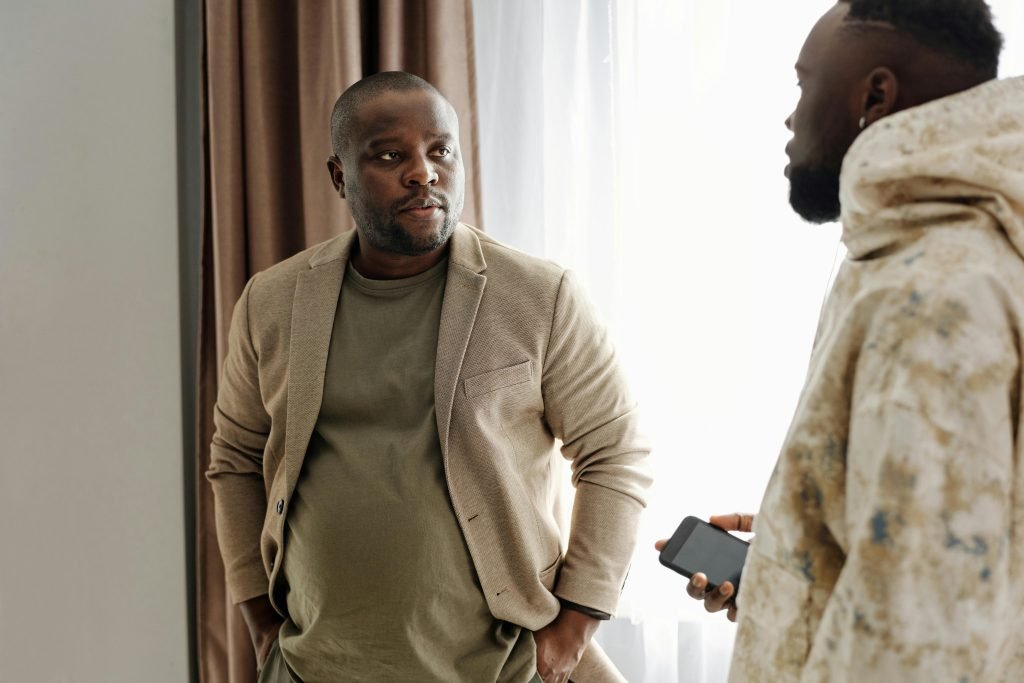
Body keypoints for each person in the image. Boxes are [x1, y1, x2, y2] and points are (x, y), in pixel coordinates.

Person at [206, 71, 652, 683]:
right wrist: (260, 619)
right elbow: (234, 458)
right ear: (340, 176)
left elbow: (614, 454)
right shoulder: (273, 300)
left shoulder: (540, 296)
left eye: (440, 150)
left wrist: (574, 627)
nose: (423, 172)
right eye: (391, 155)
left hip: (505, 669)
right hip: (314, 667)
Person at [662, 1, 1024, 681]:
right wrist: (791, 562)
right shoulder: (960, 249)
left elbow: (918, 634)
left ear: (875, 96)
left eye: (803, 83)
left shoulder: (932, 289)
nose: (791, 116)